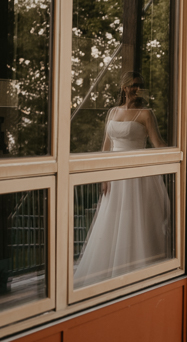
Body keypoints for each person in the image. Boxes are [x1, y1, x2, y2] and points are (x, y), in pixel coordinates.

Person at [74, 72, 170, 288]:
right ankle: (110, 268)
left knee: (135, 217)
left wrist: (179, 150)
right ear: (124, 88)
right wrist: (104, 176)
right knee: (112, 217)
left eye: (140, 85)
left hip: (136, 174)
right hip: (115, 174)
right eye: (133, 85)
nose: (137, 89)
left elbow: (157, 143)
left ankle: (137, 265)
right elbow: (106, 146)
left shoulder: (146, 114)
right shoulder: (112, 112)